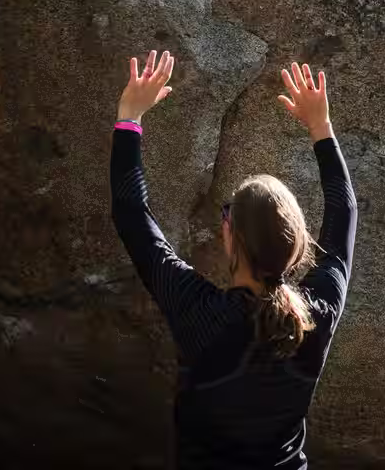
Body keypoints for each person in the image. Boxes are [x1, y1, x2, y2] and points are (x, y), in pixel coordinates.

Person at [110, 50, 357, 468]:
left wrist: (130, 116)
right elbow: (344, 212)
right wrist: (321, 127)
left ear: (231, 237)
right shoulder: (317, 315)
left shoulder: (200, 313)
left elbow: (132, 215)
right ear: (296, 241)